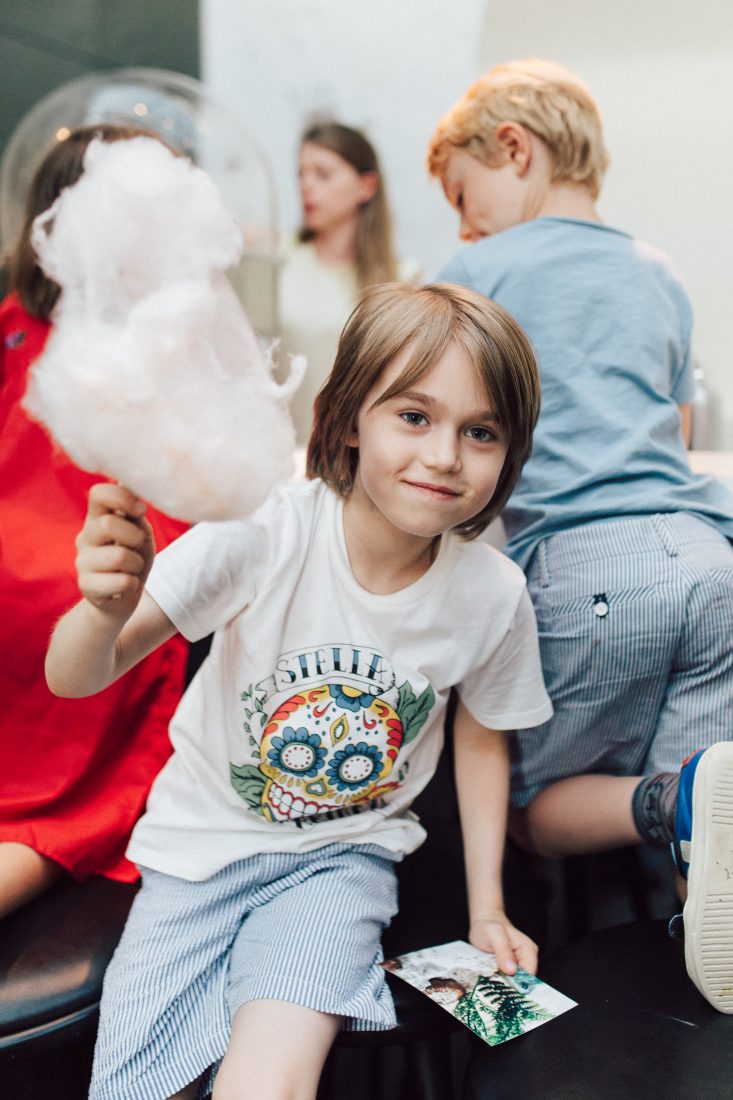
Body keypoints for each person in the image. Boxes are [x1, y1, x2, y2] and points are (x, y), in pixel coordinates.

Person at [46, 282, 553, 1099]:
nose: (444, 456)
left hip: (337, 862)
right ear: (348, 417)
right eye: (414, 416)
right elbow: (74, 678)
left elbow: (483, 732)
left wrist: (485, 906)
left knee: (268, 1085)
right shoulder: (264, 531)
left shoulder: (492, 594)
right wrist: (103, 608)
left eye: (480, 431)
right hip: (193, 856)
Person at [427, 58, 733, 1012]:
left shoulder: (477, 274)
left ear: (512, 148)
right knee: (717, 822)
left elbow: (431, 408)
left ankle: (671, 803)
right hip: (704, 554)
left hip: (580, 567)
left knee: (535, 819)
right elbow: (676, 427)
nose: (464, 228)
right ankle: (706, 987)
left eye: (466, 200)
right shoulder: (658, 271)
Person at [0, 124, 189, 917]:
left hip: (64, 577)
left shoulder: (14, 318)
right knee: (50, 812)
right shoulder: (153, 341)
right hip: (85, 582)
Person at [279, 121, 419, 444]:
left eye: (323, 174)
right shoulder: (279, 258)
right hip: (280, 456)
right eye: (301, 174)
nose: (306, 186)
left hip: (355, 460)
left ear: (366, 187)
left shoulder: (402, 279)